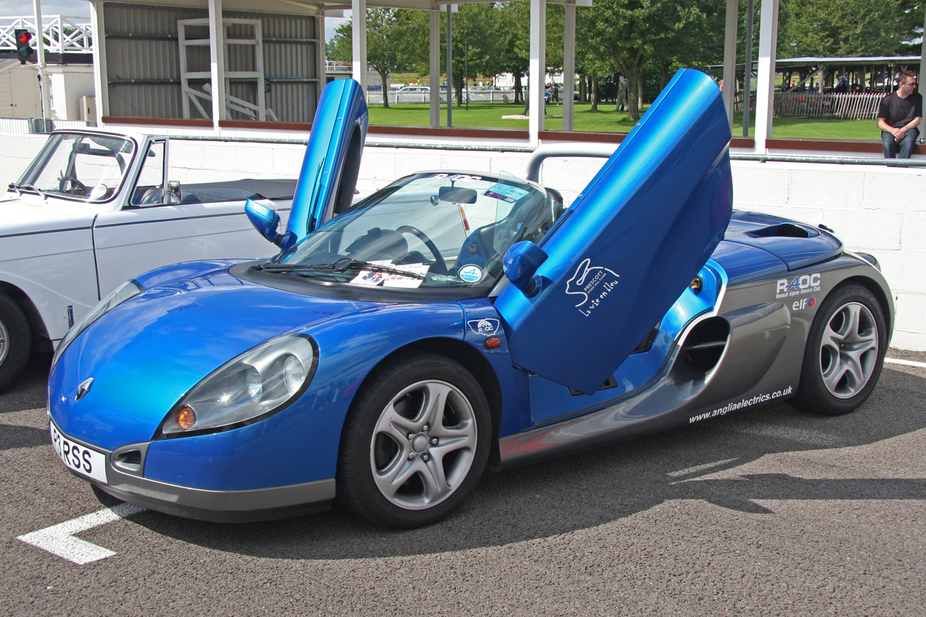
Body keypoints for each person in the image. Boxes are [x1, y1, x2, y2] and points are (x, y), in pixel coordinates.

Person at [877, 71, 922, 159]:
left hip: (909, 129)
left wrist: (903, 130)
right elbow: (880, 122)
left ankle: (902, 168)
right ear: (902, 84)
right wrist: (893, 131)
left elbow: (917, 119)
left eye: (915, 84)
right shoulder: (888, 99)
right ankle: (890, 168)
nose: (914, 86)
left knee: (909, 143)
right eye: (911, 84)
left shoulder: (917, 97)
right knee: (888, 144)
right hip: (891, 129)